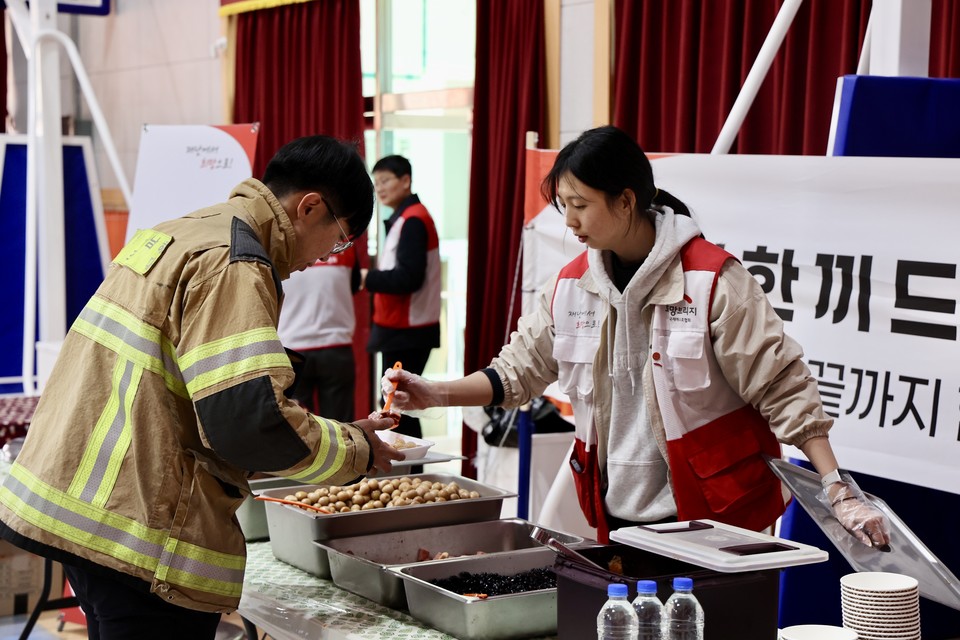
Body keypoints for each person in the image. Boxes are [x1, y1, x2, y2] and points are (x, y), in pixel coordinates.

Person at [383, 125, 889, 548]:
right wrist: (435, 393)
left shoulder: (711, 280)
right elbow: (518, 371)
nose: (571, 220)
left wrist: (836, 487)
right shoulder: (571, 285)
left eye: (581, 203)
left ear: (626, 200)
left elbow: (783, 386)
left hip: (714, 518)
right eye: (563, 205)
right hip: (614, 513)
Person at [0, 135, 403, 637]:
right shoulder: (235, 263)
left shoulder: (183, 231)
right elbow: (249, 422)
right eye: (339, 239)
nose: (327, 257)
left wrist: (338, 430)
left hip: (85, 513)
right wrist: (355, 448)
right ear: (310, 206)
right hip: (140, 534)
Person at [363, 154, 441, 448]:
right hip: (402, 327)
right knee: (398, 404)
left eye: (385, 181)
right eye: (376, 183)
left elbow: (409, 278)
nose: (379, 188)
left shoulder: (413, 220)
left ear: (405, 181)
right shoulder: (406, 218)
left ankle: (409, 472)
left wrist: (366, 279)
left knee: (399, 406)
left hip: (408, 329)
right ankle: (407, 471)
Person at [278, 242, 362, 421]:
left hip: (292, 347)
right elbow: (353, 285)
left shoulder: (282, 246)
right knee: (342, 427)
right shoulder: (344, 244)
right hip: (336, 346)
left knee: (297, 426)